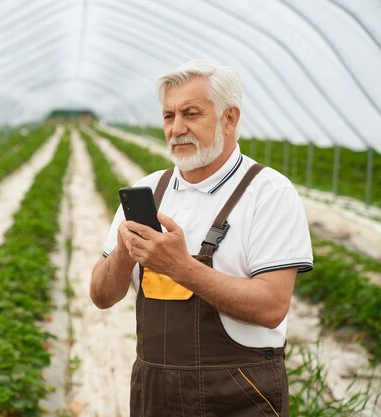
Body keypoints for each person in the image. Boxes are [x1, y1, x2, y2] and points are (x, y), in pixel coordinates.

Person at [90, 59, 313, 417]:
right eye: (168, 116)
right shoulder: (148, 190)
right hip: (154, 391)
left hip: (238, 393)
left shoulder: (268, 193)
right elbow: (101, 296)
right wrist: (123, 251)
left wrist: (181, 268)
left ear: (230, 118)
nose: (177, 128)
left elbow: (272, 307)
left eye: (191, 114)